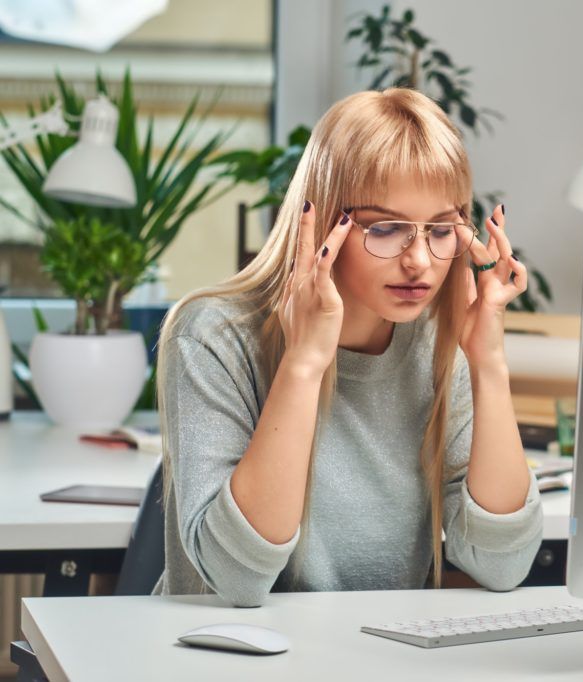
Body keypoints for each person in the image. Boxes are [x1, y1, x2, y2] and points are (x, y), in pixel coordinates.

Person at [153, 88, 543, 607]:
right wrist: (304, 364)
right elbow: (236, 578)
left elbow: (503, 565)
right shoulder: (214, 335)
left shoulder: (437, 346)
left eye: (442, 230)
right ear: (324, 222)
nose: (419, 261)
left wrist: (488, 363)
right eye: (386, 228)